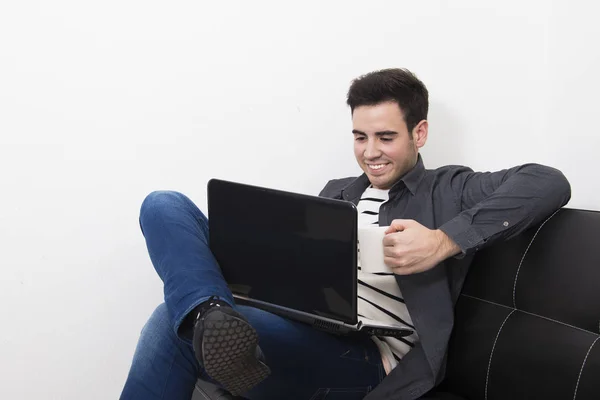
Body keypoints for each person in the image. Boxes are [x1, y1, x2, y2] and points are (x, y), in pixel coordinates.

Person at [120, 68, 571, 400]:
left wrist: (443, 240)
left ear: (420, 133)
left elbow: (547, 181)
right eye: (359, 137)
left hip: (367, 359)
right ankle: (211, 312)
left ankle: (207, 318)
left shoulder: (449, 189)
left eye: (385, 137)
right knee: (163, 204)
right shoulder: (336, 194)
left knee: (171, 320)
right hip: (300, 327)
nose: (370, 152)